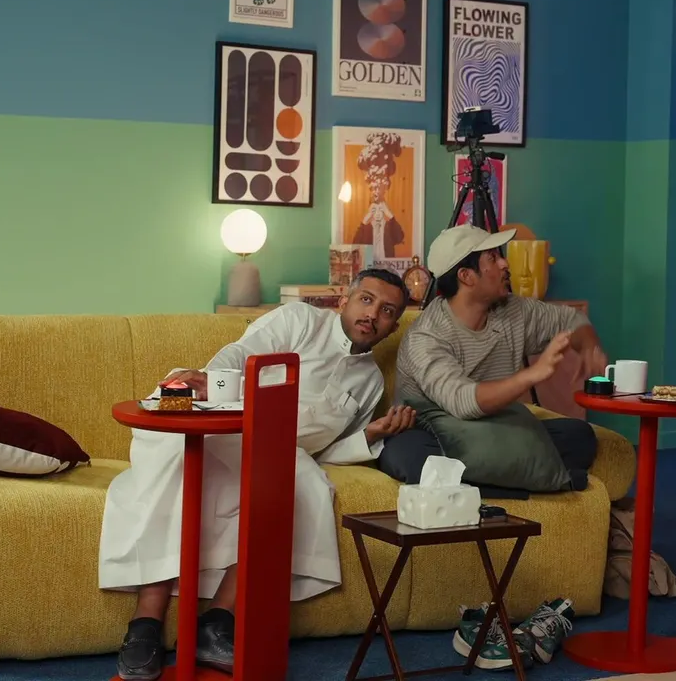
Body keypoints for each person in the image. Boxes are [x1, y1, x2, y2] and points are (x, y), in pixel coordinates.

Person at [98, 269, 416, 680]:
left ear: (393, 327)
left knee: (303, 484)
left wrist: (370, 435)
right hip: (230, 424)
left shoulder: (370, 381)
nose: (372, 314)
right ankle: (145, 624)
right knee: (178, 465)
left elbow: (328, 450)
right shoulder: (300, 320)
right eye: (366, 300)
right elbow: (241, 353)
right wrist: (210, 381)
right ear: (344, 300)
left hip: (281, 450)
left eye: (387, 311)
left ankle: (217, 622)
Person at [379, 225, 610, 493]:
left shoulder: (512, 310)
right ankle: (526, 480)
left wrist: (589, 347)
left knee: (579, 436)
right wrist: (531, 375)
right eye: (492, 258)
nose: (504, 263)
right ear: (466, 276)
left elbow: (572, 321)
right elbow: (461, 401)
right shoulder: (426, 336)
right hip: (436, 431)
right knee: (409, 457)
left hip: (495, 427)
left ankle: (484, 483)